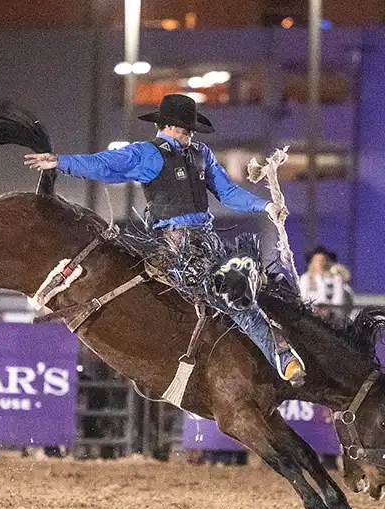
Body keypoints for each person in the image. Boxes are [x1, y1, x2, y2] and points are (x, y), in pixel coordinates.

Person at [24, 94, 305, 385]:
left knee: (256, 282)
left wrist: (265, 206)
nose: (189, 135)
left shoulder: (201, 154)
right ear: (168, 126)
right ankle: (283, 359)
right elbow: (105, 165)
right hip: (177, 247)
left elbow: (227, 191)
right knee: (234, 295)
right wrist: (60, 162)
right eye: (185, 129)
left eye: (190, 130)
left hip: (208, 242)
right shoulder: (147, 153)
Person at [299, 246, 352, 325]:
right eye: (317, 261)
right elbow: (303, 299)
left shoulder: (335, 279)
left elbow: (339, 300)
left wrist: (328, 309)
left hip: (332, 318)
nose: (320, 263)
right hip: (311, 318)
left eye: (323, 260)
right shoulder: (305, 279)